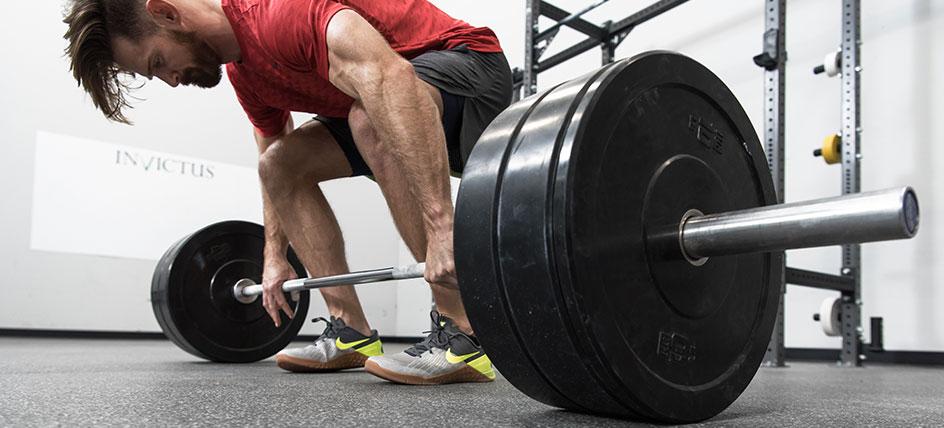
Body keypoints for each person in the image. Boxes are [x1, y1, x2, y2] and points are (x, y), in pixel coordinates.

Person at [62, 0, 513, 384]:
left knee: (366, 118)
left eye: (157, 63)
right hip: (385, 102)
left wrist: (441, 226)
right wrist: (273, 255)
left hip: (467, 66)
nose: (170, 80)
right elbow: (272, 155)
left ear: (166, 13)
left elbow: (389, 77)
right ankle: (351, 330)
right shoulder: (247, 74)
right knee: (278, 164)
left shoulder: (277, 14)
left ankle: (465, 334)